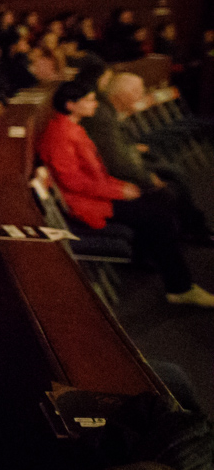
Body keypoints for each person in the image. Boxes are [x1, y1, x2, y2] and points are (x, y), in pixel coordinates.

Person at [39, 80, 214, 307]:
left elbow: (95, 175)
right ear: (71, 105)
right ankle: (180, 287)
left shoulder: (73, 127)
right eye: (90, 100)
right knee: (157, 216)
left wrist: (118, 188)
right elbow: (73, 182)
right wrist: (119, 190)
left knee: (162, 200)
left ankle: (148, 255)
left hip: (98, 195)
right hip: (86, 204)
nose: (95, 104)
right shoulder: (60, 135)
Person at [83, 70, 212, 243]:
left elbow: (117, 147)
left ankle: (193, 228)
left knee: (175, 174)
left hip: (130, 160)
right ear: (122, 95)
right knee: (169, 187)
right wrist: (148, 179)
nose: (142, 96)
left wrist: (133, 150)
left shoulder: (108, 111)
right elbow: (116, 162)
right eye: (137, 92)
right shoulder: (103, 118)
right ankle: (189, 232)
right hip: (119, 173)